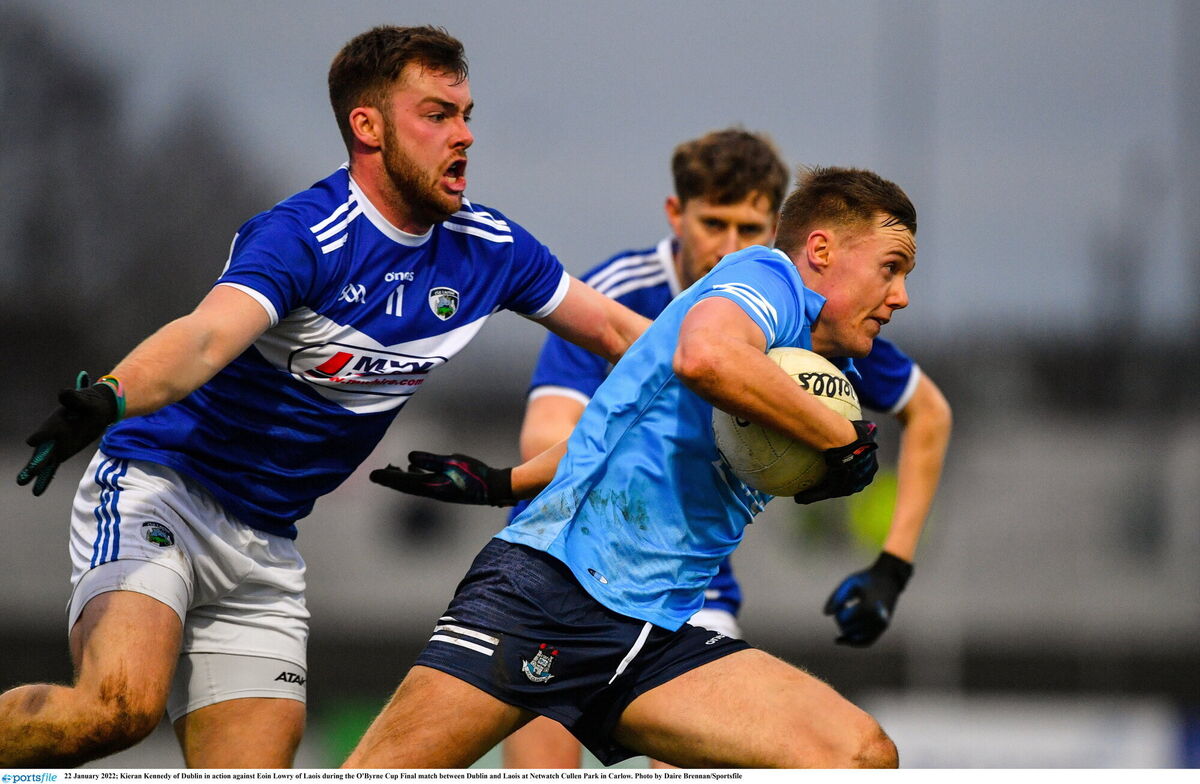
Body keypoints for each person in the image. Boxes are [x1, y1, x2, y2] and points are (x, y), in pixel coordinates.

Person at [3, 25, 648, 769]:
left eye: (466, 114)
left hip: (267, 543)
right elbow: (206, 338)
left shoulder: (491, 248)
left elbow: (622, 333)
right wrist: (112, 396)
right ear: (367, 127)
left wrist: (741, 377)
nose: (464, 135)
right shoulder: (307, 234)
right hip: (163, 493)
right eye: (437, 114)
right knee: (115, 711)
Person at [349, 165, 918, 768]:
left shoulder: (822, 371)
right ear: (821, 250)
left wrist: (500, 483)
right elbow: (705, 357)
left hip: (655, 633)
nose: (901, 295)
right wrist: (841, 440)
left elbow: (617, 426)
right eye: (891, 267)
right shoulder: (766, 276)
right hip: (549, 595)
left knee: (860, 755)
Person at [493, 130, 952, 768]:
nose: (730, 246)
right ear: (676, 216)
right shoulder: (621, 289)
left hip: (690, 589)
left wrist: (892, 566)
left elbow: (929, 412)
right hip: (567, 564)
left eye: (750, 229)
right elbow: (546, 437)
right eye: (714, 223)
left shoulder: (812, 317)